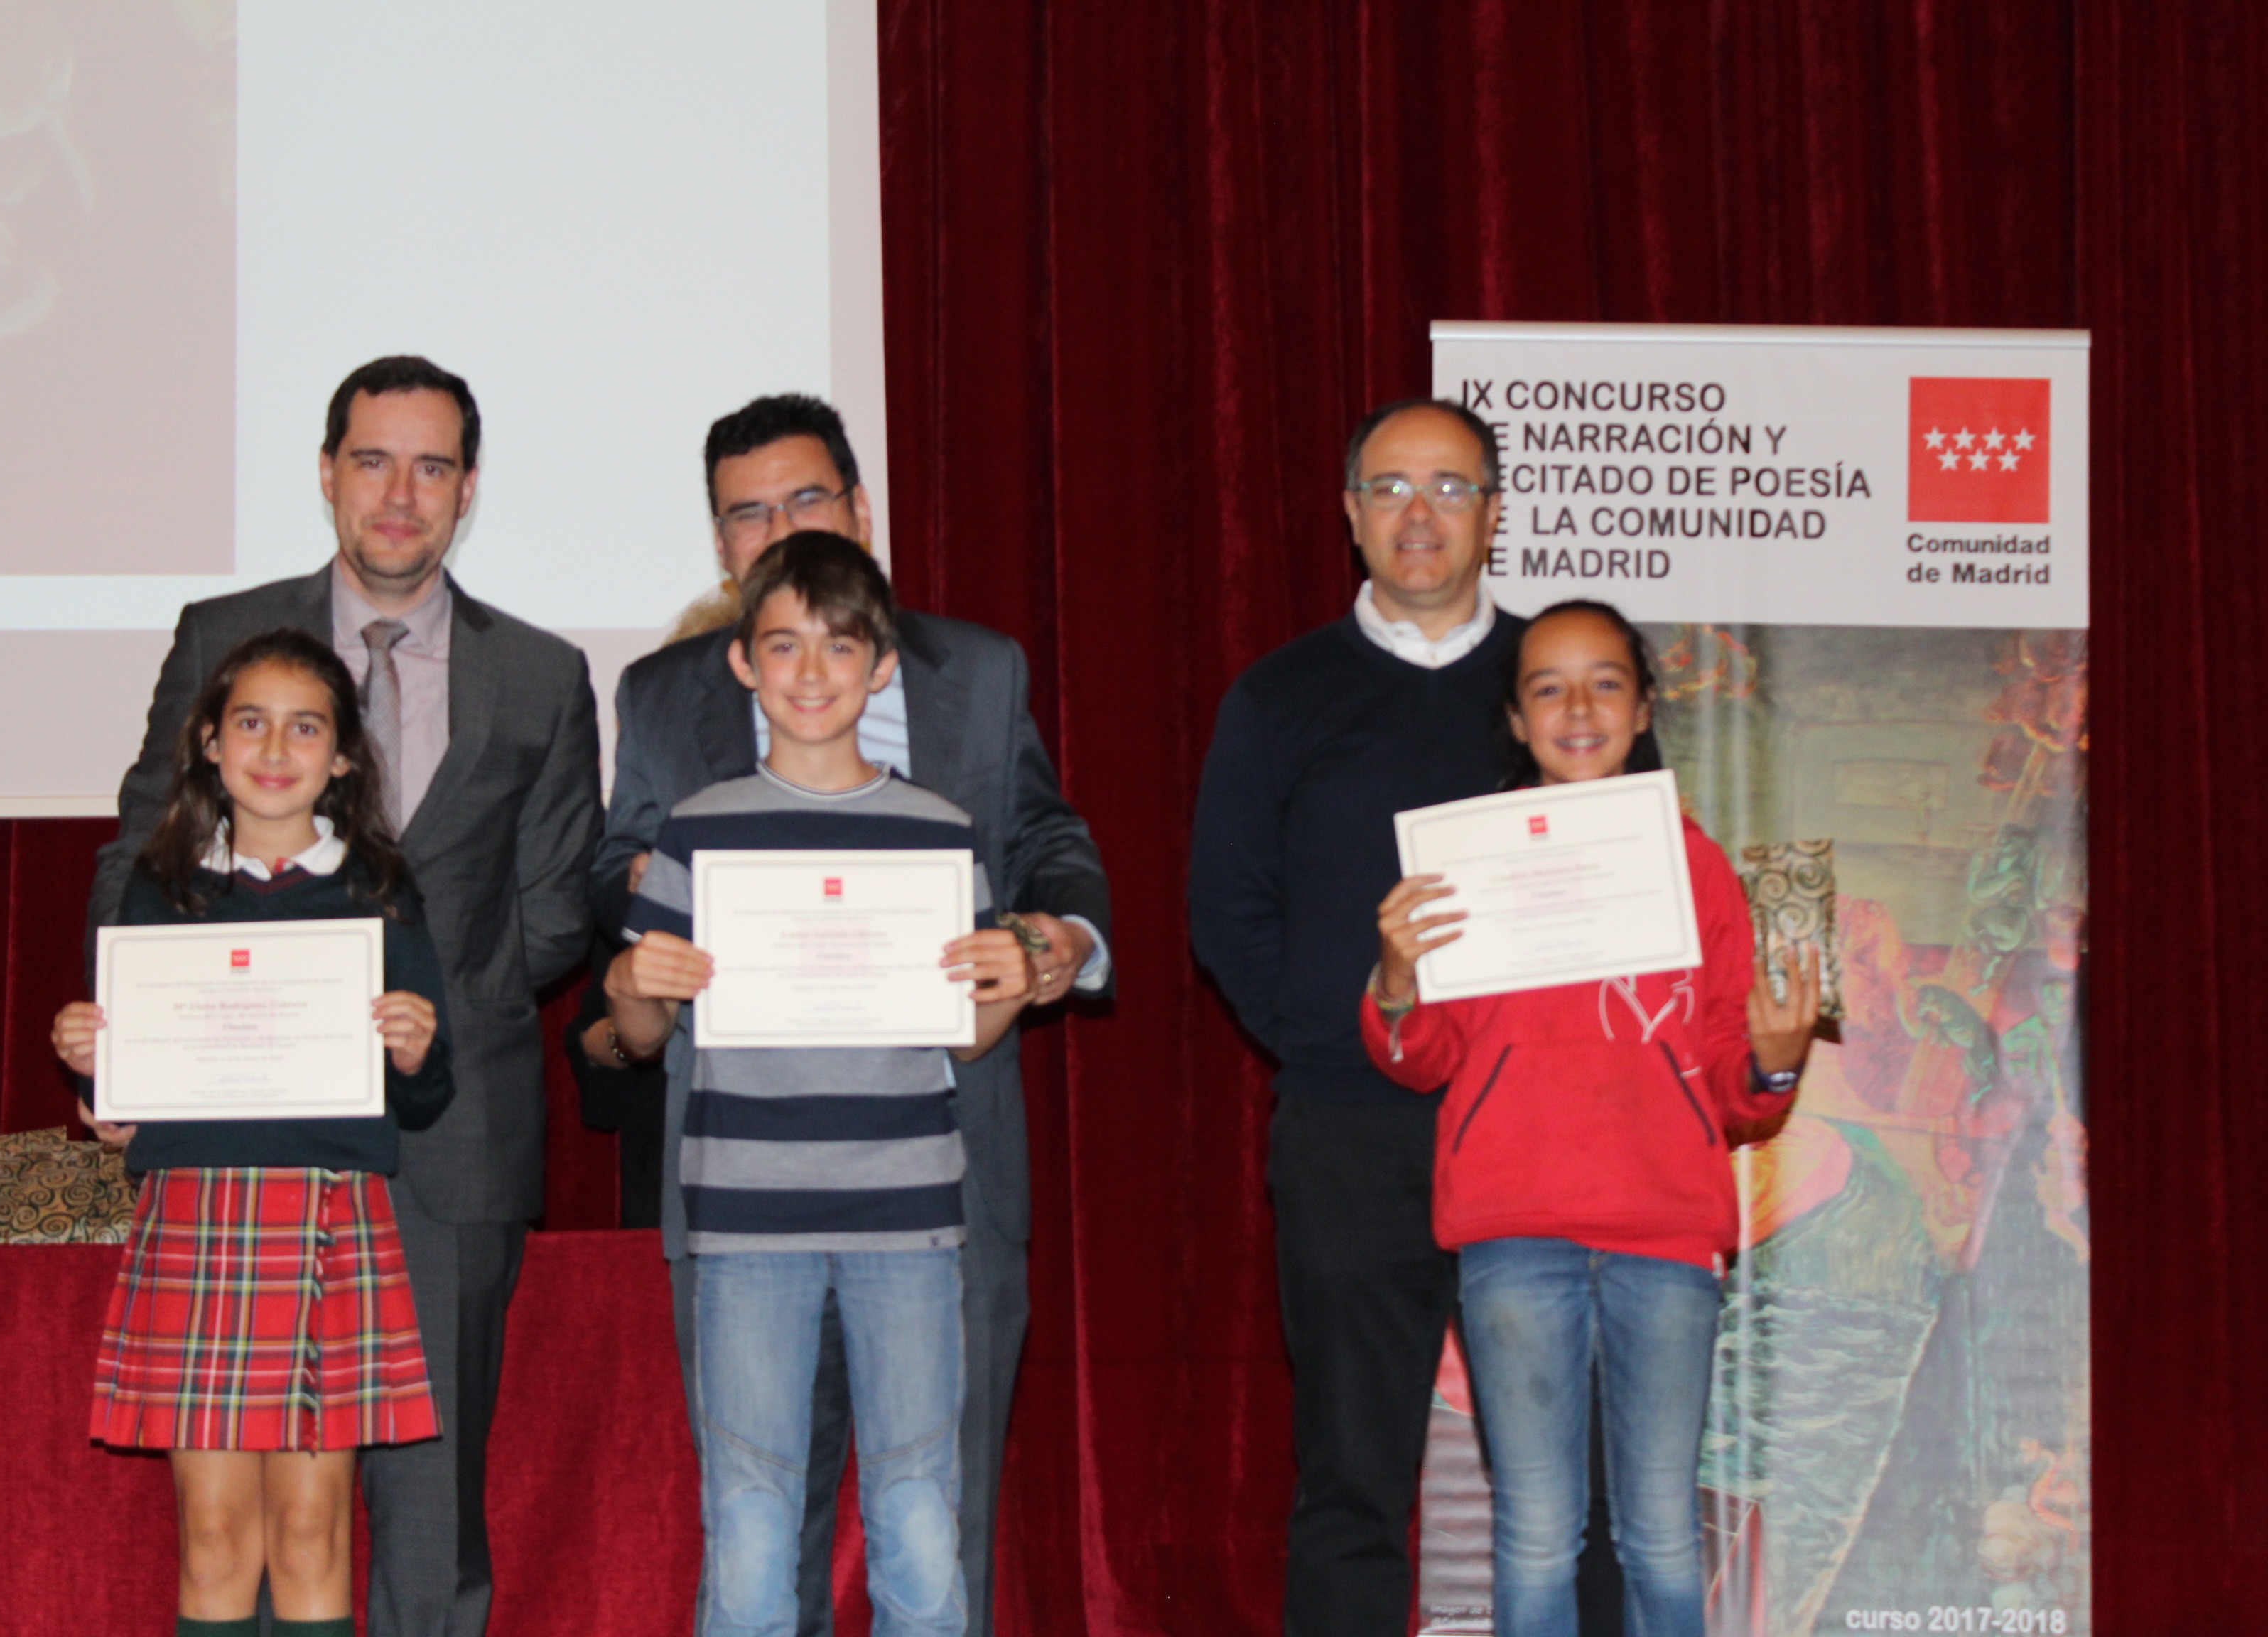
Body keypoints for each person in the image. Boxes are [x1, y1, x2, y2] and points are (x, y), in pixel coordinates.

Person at [89, 355, 601, 1637]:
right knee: (243, 1520)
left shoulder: (542, 673)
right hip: (241, 1142)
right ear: (327, 473)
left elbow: (554, 911)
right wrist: (141, 1049)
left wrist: (410, 1024)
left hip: (453, 1133)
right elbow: (140, 853)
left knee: (431, 1516)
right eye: (373, 461)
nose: (399, 494)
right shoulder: (223, 635)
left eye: (432, 468)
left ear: (468, 490)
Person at [584, 394, 1110, 1637]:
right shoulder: (667, 715)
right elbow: (618, 889)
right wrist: (642, 977)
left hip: (926, 1190)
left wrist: (1039, 951)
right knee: (756, 1515)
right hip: (743, 1189)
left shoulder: (973, 696)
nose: (780, 528)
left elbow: (1041, 849)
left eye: (806, 499)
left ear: (861, 511)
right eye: (747, 513)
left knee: (932, 1513)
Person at [1361, 600, 1820, 1637]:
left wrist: (1777, 1062)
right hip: (1513, 1232)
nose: (1578, 709)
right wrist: (1395, 981)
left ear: (1645, 708)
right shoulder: (1464, 862)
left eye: (1606, 683)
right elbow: (1419, 1058)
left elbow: (1732, 1083)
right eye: (1548, 689)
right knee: (1535, 1532)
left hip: (1665, 1234)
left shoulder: (1699, 868)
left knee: (1661, 1532)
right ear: (1516, 721)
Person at [1189, 398, 1528, 1635]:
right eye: (1390, 488)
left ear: (1494, 512)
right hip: (1350, 1129)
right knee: (1351, 1478)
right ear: (1350, 514)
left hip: (1536, 1129)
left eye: (1449, 486)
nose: (1418, 514)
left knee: (1565, 1479)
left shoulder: (1561, 684)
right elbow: (1227, 909)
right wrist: (1340, 1044)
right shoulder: (1281, 696)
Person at [55, 630, 455, 1637]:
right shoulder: (161, 887)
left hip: (328, 1219)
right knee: (215, 1537)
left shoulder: (377, 889)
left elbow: (425, 1098)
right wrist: (95, 1065)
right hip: (196, 1217)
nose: (276, 749)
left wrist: (416, 1051)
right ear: (209, 742)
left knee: (313, 1535)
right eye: (250, 723)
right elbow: (124, 1099)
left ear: (345, 756)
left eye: (306, 727)